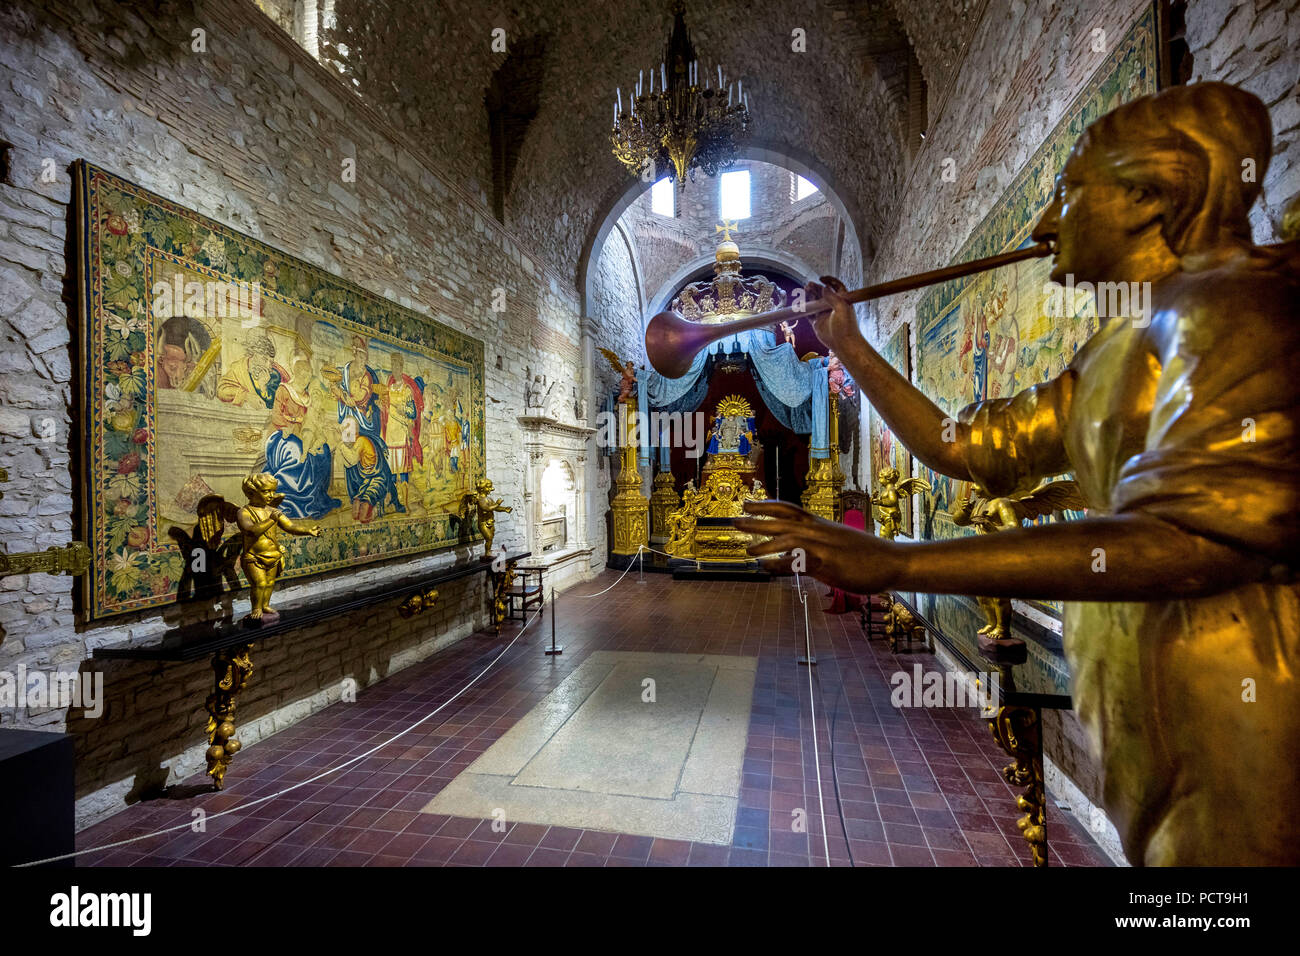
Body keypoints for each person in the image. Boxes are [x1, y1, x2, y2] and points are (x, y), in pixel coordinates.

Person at [737, 82, 1300, 866]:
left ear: (1146, 197)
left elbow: (1194, 538)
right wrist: (852, 347)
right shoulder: (1115, 347)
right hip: (1162, 706)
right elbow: (967, 448)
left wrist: (896, 561)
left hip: (1238, 697)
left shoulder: (1231, 308)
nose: (1044, 223)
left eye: (1070, 195)